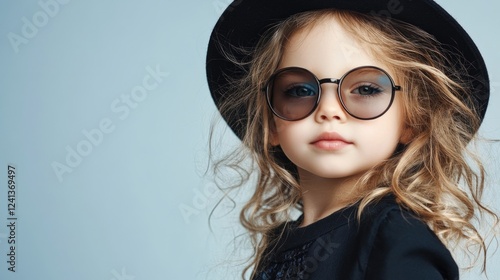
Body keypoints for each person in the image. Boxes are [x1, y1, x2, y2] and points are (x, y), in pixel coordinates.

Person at [205, 0, 498, 279]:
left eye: (367, 89)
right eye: (299, 91)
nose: (329, 111)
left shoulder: (396, 238)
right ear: (269, 123)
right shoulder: (278, 244)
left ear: (413, 119)